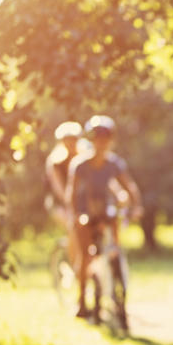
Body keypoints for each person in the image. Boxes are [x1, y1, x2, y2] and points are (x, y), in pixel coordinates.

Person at [66, 115, 143, 319]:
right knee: (85, 257)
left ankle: (115, 266)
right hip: (84, 213)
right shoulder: (80, 165)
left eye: (106, 139)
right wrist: (76, 215)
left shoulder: (114, 164)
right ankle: (82, 301)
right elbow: (72, 194)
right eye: (98, 138)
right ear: (91, 141)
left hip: (105, 211)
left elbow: (129, 186)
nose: (102, 143)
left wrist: (136, 206)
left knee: (114, 242)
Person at [45, 121, 87, 269]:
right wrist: (71, 204)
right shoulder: (56, 162)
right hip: (59, 204)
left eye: (74, 140)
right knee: (73, 226)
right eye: (67, 141)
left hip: (81, 203)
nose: (71, 144)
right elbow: (60, 190)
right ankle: (76, 266)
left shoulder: (85, 158)